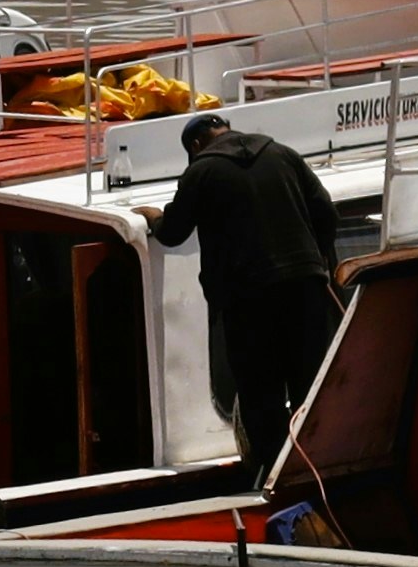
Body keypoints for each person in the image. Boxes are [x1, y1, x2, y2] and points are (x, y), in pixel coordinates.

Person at [148, 111, 345, 451]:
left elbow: (173, 232)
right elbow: (326, 214)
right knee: (311, 386)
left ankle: (273, 468)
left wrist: (153, 217)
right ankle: (320, 460)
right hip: (304, 290)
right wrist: (317, 260)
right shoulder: (283, 154)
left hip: (248, 300)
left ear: (196, 145)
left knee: (261, 395)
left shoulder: (201, 171)